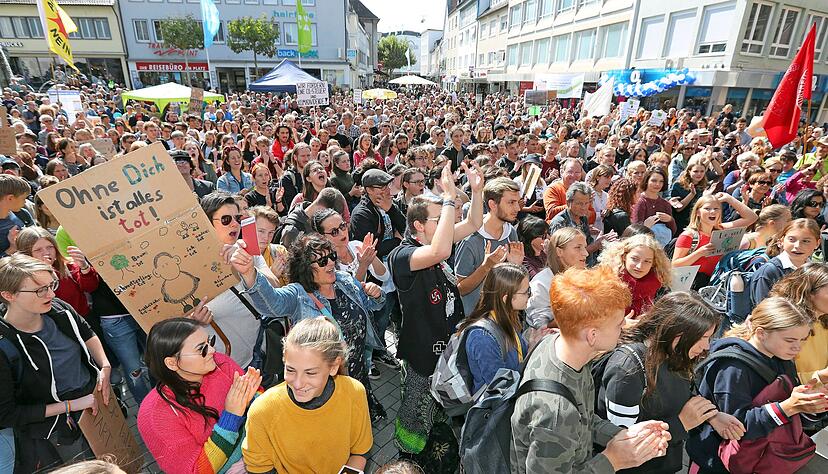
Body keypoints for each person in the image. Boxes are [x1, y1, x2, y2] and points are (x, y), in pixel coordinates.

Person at [510, 266, 671, 473]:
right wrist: (613, 460)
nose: (624, 327)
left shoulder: (557, 344)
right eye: (618, 324)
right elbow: (566, 421)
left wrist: (622, 436)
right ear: (592, 336)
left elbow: (582, 418)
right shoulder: (556, 413)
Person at [228, 232, 388, 419]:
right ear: (305, 268)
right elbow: (271, 303)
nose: (330, 263)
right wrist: (249, 273)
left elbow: (373, 305)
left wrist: (376, 295)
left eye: (331, 257)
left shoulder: (345, 280)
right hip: (323, 381)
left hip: (356, 370)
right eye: (321, 261)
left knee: (355, 418)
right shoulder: (298, 294)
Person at [389, 164, 482, 472]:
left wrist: (477, 190)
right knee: (415, 409)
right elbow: (442, 250)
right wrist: (448, 198)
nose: (447, 218)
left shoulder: (433, 242)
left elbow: (473, 223)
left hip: (446, 348)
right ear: (418, 225)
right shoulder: (402, 256)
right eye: (438, 217)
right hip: (422, 355)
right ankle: (408, 457)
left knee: (438, 405)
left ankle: (435, 445)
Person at [596, 292, 744, 474]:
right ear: (676, 333)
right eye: (702, 337)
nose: (706, 346)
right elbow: (623, 439)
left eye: (709, 338)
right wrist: (682, 423)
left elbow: (680, 396)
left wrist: (711, 416)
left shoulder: (676, 354)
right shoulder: (627, 368)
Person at [687, 297, 828, 473]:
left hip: (761, 459)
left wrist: (813, 404)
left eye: (802, 340)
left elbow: (793, 413)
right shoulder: (732, 368)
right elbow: (736, 427)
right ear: (761, 333)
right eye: (790, 340)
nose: (797, 348)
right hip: (718, 462)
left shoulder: (781, 358)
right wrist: (787, 408)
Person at [0, 254, 111, 472]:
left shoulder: (59, 308)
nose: (51, 294)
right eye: (40, 290)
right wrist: (70, 406)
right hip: (60, 430)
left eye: (52, 285)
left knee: (114, 460)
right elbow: (8, 415)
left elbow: (87, 332)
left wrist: (105, 366)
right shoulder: (4, 347)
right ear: (8, 295)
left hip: (94, 404)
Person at [242, 317, 373, 473]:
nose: (298, 384)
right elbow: (259, 469)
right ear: (284, 360)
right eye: (290, 370)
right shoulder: (262, 412)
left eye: (310, 373)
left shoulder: (354, 392)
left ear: (333, 367)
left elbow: (360, 452)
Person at [137, 318, 262, 474]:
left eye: (210, 342)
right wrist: (231, 417)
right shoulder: (155, 415)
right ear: (172, 363)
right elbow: (195, 470)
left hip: (258, 448)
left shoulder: (219, 363)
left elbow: (260, 401)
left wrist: (256, 398)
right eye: (201, 349)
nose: (212, 351)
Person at [458, 262, 529, 394]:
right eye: (525, 292)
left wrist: (534, 343)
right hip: (494, 410)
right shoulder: (482, 337)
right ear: (506, 298)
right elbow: (499, 385)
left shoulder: (508, 318)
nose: (529, 296)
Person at [456, 177, 523, 314]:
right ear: (492, 204)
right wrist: (486, 267)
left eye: (517, 202)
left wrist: (516, 267)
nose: (517, 208)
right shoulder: (470, 238)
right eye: (511, 202)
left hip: (505, 316)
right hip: (477, 320)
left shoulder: (511, 234)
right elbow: (461, 289)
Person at [672, 194, 758, 289]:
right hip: (690, 285)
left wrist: (729, 199)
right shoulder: (689, 235)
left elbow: (752, 217)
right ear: (698, 212)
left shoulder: (722, 229)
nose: (712, 212)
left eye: (716, 209)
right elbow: (675, 264)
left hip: (713, 285)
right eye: (707, 209)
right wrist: (699, 253)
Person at [15, 226, 99, 318]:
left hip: (84, 319)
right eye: (38, 250)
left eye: (50, 247)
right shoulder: (22, 277)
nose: (46, 252)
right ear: (26, 254)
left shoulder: (67, 266)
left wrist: (84, 267)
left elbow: (90, 287)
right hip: (54, 326)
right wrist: (45, 272)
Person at [769, 264, 828, 385]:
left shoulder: (823, 321)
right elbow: (776, 381)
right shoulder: (784, 327)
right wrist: (821, 376)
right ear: (809, 292)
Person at [525, 227, 588, 331]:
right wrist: (578, 313)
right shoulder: (542, 283)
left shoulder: (585, 277)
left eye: (585, 247)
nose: (586, 253)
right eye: (578, 247)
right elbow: (541, 326)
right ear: (559, 251)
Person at [748, 218, 821, 307]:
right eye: (792, 239)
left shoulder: (816, 271)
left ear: (817, 243)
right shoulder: (769, 272)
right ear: (781, 241)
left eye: (806, 241)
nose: (797, 246)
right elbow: (763, 311)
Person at [599, 234, 672, 319]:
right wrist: (622, 324)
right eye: (635, 259)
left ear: (653, 263)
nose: (639, 266)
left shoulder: (659, 284)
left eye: (647, 261)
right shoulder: (606, 282)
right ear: (624, 256)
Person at [549, 182, 615, 266]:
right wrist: (596, 245)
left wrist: (601, 240)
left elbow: (587, 244)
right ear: (568, 202)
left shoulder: (583, 218)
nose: (583, 207)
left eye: (586, 203)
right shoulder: (560, 222)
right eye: (579, 203)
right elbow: (563, 256)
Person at [632, 167, 676, 246]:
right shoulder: (640, 202)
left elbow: (673, 230)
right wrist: (645, 226)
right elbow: (635, 230)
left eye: (661, 181)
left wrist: (670, 220)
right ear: (646, 181)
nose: (657, 184)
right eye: (654, 181)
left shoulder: (665, 204)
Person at [670, 156, 708, 231]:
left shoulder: (704, 186)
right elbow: (678, 209)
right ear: (689, 171)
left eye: (702, 171)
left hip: (697, 222)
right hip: (681, 223)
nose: (699, 174)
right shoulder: (678, 185)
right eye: (696, 171)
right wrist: (692, 194)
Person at [0, 175, 32, 257]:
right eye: (24, 198)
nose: (25, 202)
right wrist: (12, 248)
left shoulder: (23, 214)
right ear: (10, 198)